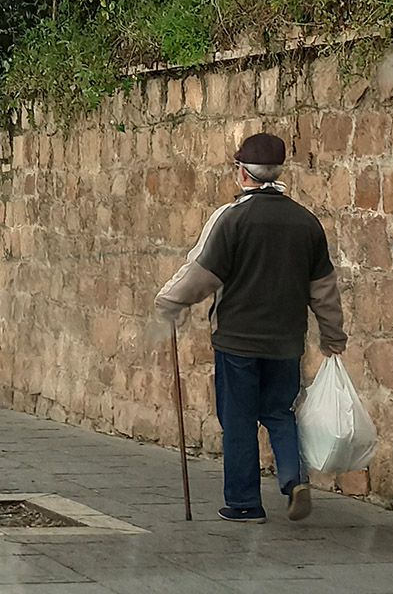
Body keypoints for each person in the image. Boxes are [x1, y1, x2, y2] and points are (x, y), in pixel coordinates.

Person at [155, 132, 347, 523]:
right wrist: (332, 335)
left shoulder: (233, 219)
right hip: (286, 341)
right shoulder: (306, 223)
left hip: (237, 340)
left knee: (239, 418)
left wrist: (172, 302)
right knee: (279, 411)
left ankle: (244, 503)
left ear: (242, 173)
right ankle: (294, 479)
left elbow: (204, 275)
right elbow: (323, 289)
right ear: (277, 173)